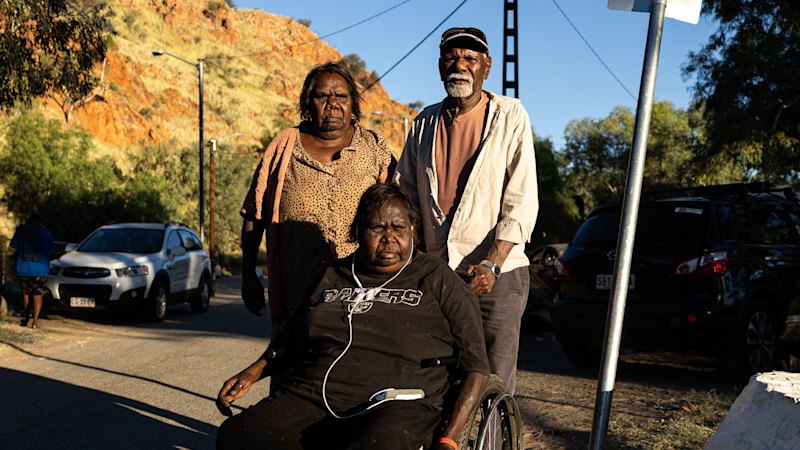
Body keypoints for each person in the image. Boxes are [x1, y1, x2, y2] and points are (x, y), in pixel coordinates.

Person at [217, 183, 489, 450]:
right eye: (377, 228)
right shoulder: (333, 275)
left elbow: (476, 366)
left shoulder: (436, 277)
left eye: (398, 228)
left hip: (396, 403)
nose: (389, 238)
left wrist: (449, 439)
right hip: (313, 394)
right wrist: (253, 372)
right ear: (358, 232)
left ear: (414, 232)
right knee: (238, 436)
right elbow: (292, 338)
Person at [395, 27, 539, 394]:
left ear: (486, 67)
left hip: (497, 274)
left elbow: (521, 199)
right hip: (439, 272)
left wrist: (492, 263)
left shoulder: (510, 115)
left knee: (492, 379)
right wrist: (417, 259)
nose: (460, 66)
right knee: (438, 371)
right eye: (452, 58)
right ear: (440, 66)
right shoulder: (423, 122)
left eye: (470, 59)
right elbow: (406, 195)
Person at [239, 62, 394, 328]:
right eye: (322, 96)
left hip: (361, 292)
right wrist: (248, 274)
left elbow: (400, 213)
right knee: (296, 366)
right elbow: (255, 215)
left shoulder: (374, 147)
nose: (332, 103)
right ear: (307, 104)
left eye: (341, 96)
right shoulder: (283, 147)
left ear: (352, 103)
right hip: (298, 295)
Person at [9, 213, 55, 329]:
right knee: (37, 294)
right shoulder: (46, 232)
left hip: (23, 269)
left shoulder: (21, 231)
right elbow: (51, 248)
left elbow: (12, 248)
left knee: (26, 294)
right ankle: (35, 322)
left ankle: (26, 319)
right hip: (40, 270)